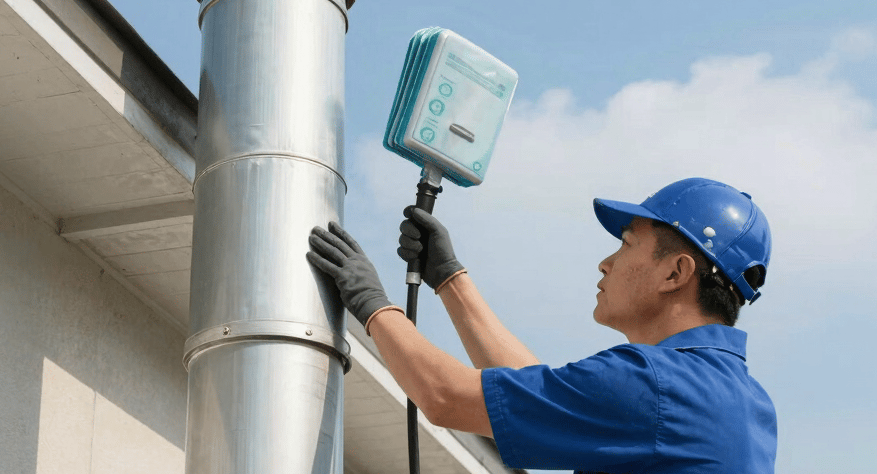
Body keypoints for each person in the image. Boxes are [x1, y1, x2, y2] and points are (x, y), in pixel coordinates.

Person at [307, 177, 777, 473]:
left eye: (628, 244)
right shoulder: (746, 402)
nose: (605, 263)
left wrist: (371, 304)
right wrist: (450, 280)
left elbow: (447, 397)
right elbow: (535, 397)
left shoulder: (653, 386)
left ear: (675, 273)